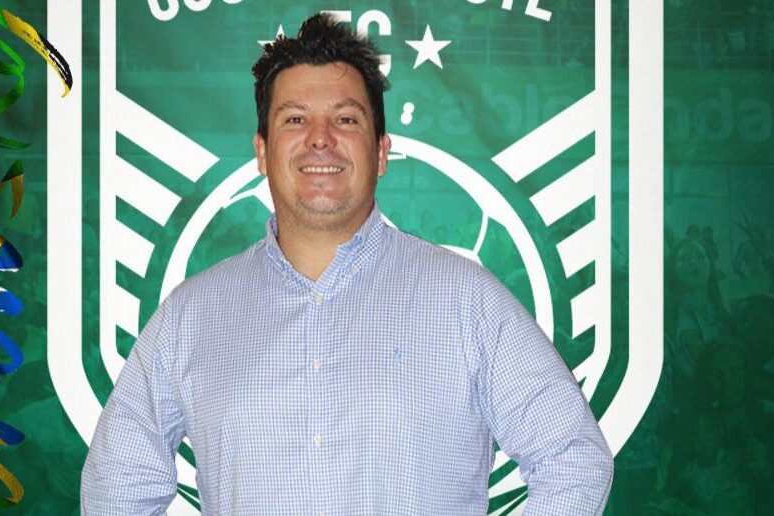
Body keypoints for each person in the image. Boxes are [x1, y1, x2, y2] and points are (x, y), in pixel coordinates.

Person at [81, 13, 613, 514]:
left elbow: (573, 459)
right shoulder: (191, 316)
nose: (321, 138)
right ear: (261, 151)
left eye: (345, 118)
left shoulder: (468, 300)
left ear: (381, 151)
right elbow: (116, 490)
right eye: (295, 119)